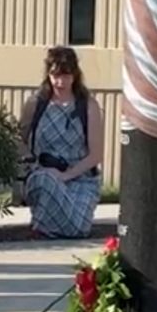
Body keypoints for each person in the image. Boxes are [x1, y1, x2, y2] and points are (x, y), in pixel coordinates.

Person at [18, 46, 104, 239]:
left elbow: (95, 155)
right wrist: (34, 164)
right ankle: (45, 226)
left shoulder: (88, 106)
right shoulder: (35, 103)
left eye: (65, 75)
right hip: (44, 176)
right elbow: (19, 141)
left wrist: (66, 175)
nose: (60, 82)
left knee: (79, 228)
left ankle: (47, 227)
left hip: (80, 179)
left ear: (75, 75)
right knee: (44, 182)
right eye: (55, 75)